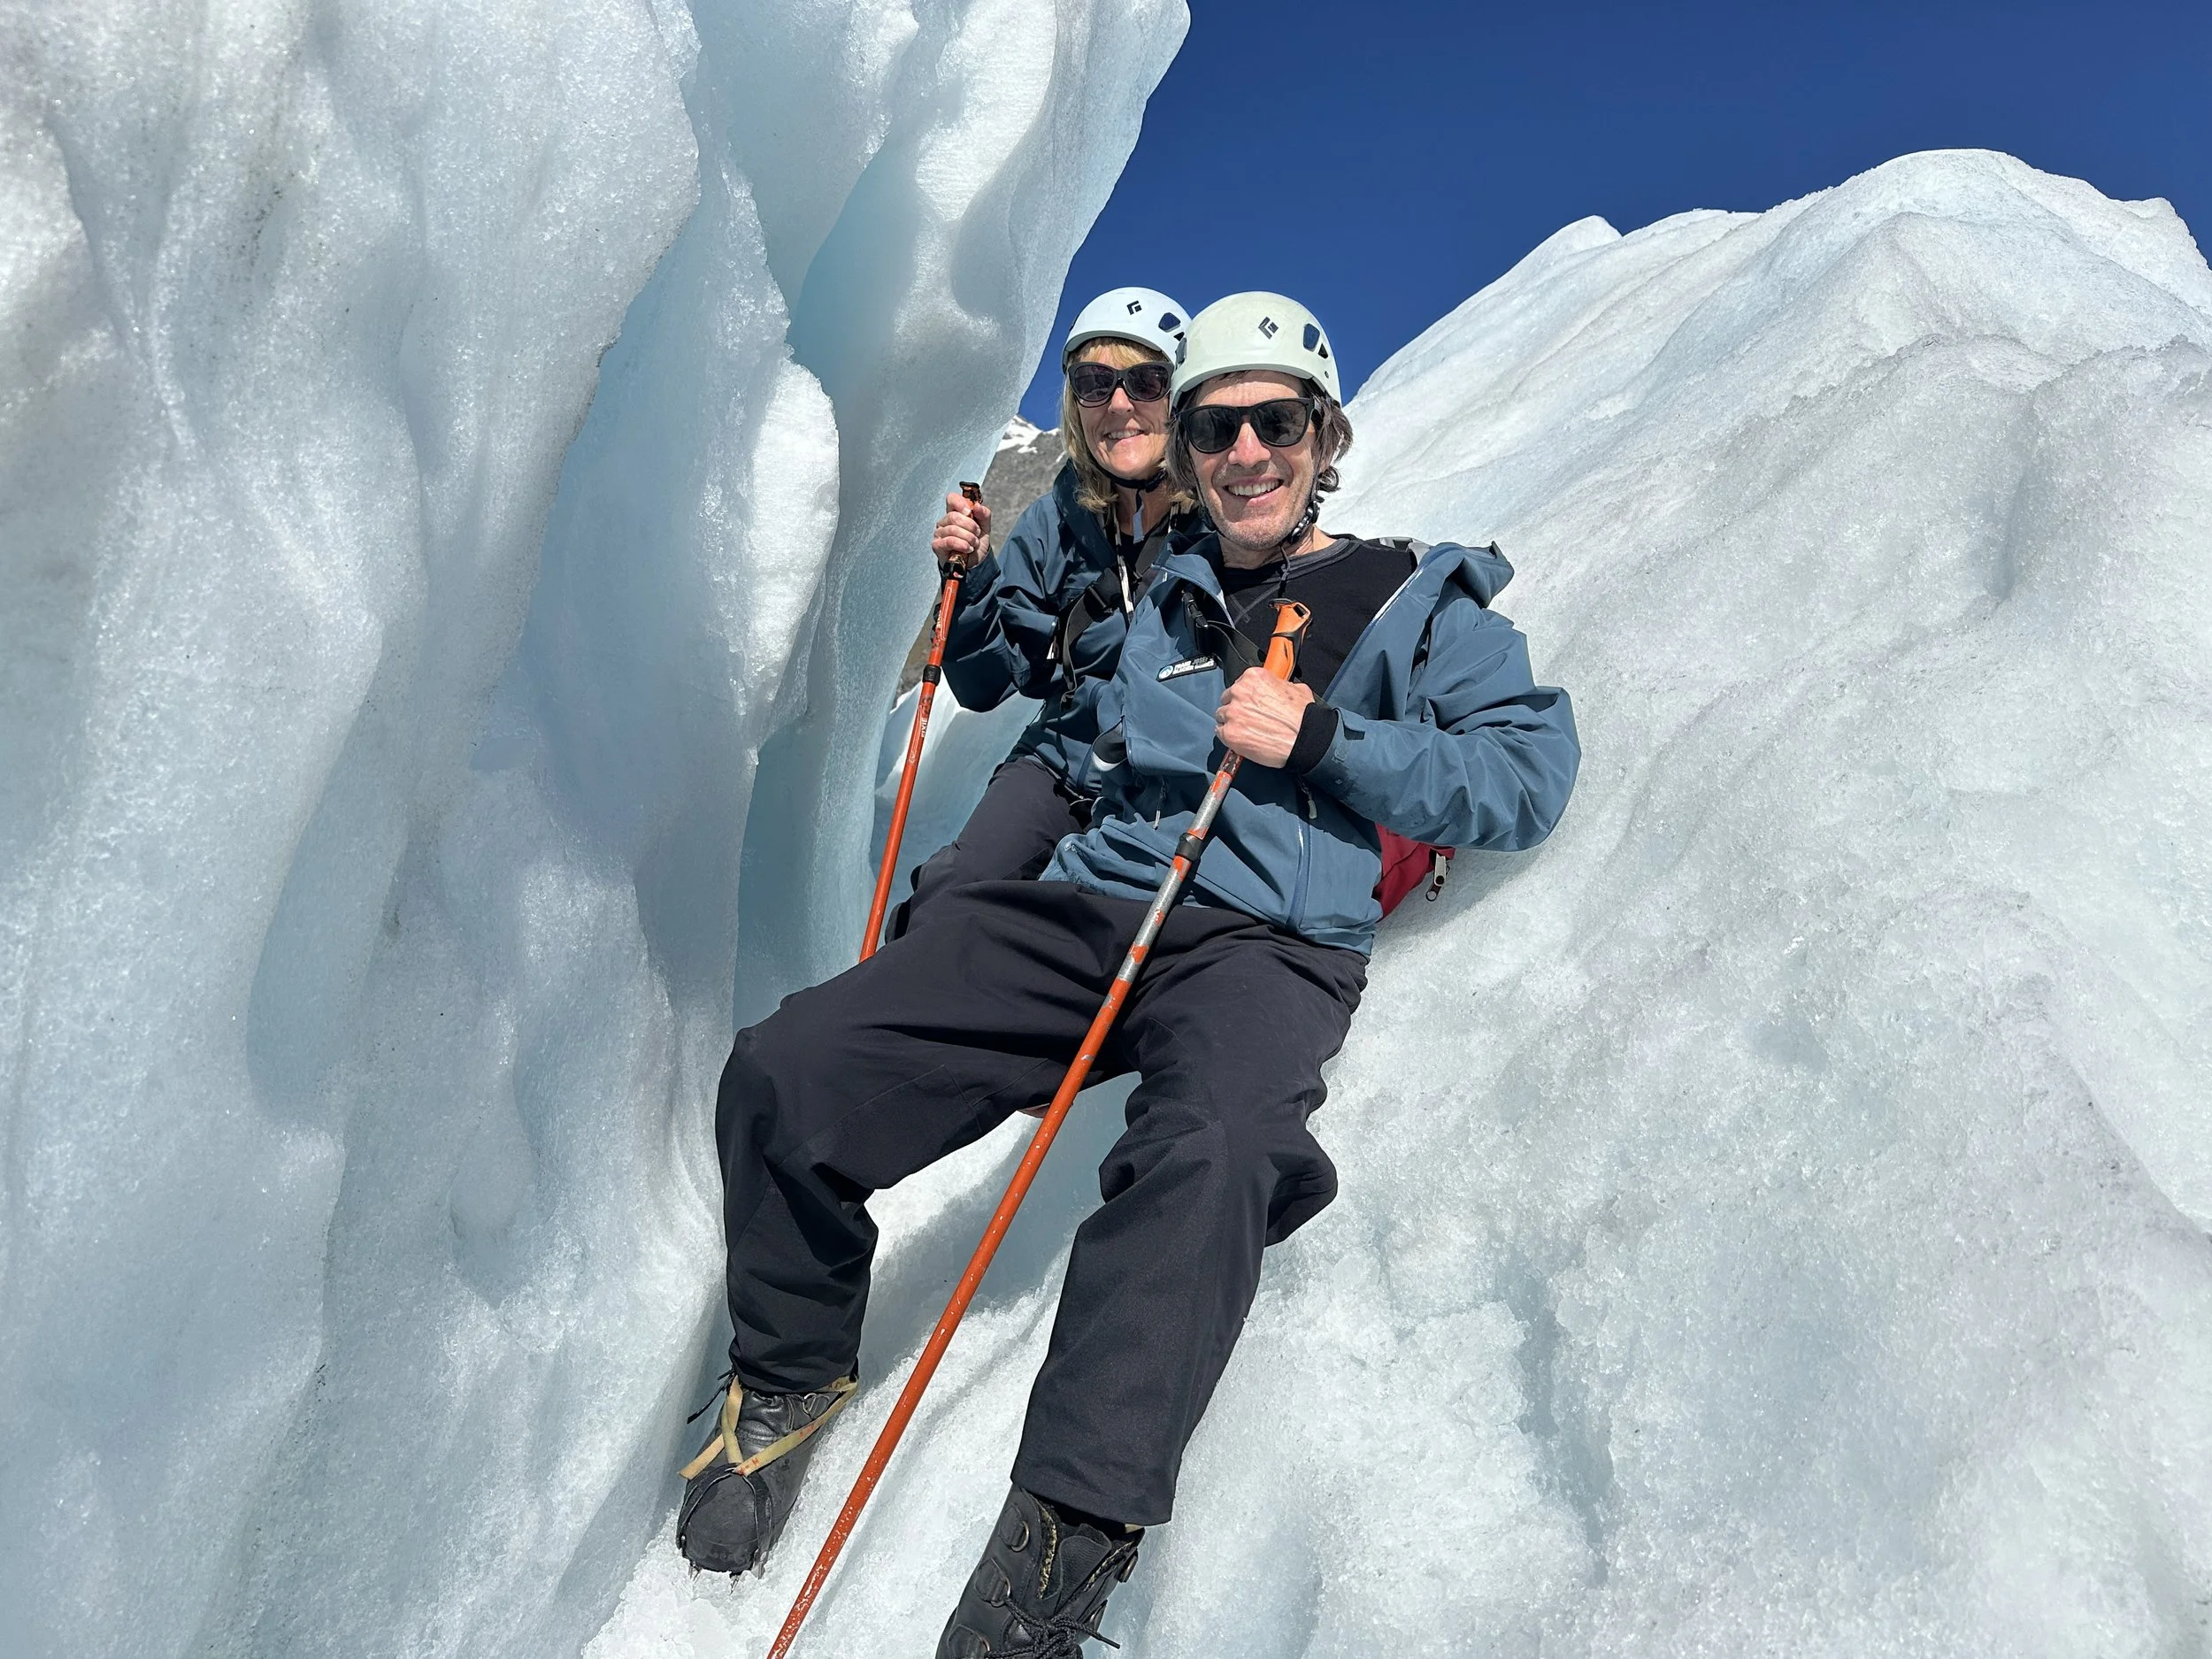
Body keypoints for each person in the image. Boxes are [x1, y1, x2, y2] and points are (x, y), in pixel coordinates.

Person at [677, 293, 1581, 1656]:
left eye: (1277, 420)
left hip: (1270, 942)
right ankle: (793, 1369)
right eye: (1218, 425)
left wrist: (1326, 735)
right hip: (1101, 908)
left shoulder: (1413, 586)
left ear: (1325, 437)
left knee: (1213, 1153)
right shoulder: (1167, 598)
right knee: (791, 1066)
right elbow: (1062, 720)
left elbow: (1525, 768)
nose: (1246, 449)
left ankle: (1061, 1544)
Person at [888, 288, 1203, 938]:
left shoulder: (1221, 511)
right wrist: (974, 578)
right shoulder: (1058, 519)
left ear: (1180, 395)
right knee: (947, 902)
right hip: (1061, 764)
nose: (1119, 404)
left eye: (1146, 381)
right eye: (1094, 383)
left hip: (1173, 772)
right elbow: (990, 682)